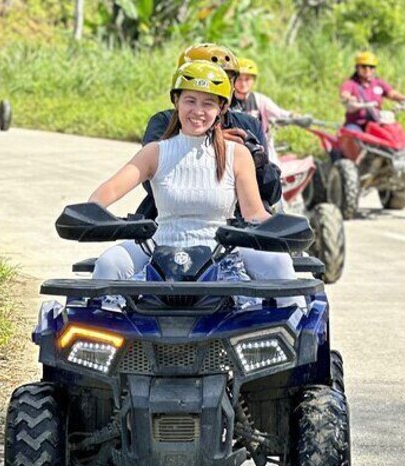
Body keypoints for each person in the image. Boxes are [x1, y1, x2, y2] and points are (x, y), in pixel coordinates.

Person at [89, 61, 301, 305]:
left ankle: (296, 335)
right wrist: (89, 213)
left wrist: (285, 229)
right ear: (176, 102)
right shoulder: (155, 152)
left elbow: (254, 213)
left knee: (280, 262)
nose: (198, 111)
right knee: (109, 263)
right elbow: (110, 189)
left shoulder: (237, 154)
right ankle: (99, 336)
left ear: (221, 108)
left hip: (224, 251)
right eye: (190, 100)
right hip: (159, 246)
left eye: (208, 103)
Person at [137, 44, 283, 219]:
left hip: (238, 226)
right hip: (170, 218)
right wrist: (210, 144)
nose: (215, 86)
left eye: (226, 80)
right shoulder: (163, 122)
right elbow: (150, 181)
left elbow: (271, 193)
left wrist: (257, 160)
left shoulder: (249, 125)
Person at [231, 57, 297, 165]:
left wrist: (293, 116)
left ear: (253, 81)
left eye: (247, 79)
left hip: (260, 149)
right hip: (234, 149)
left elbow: (279, 113)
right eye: (239, 79)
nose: (243, 83)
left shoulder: (261, 101)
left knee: (274, 174)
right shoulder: (226, 102)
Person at [339, 51, 405, 132]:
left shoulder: (378, 83)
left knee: (392, 132)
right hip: (356, 123)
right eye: (364, 66)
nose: (367, 70)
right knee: (353, 134)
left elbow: (393, 94)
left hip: (376, 121)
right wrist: (350, 98)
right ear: (357, 68)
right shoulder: (350, 84)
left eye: (371, 67)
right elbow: (345, 94)